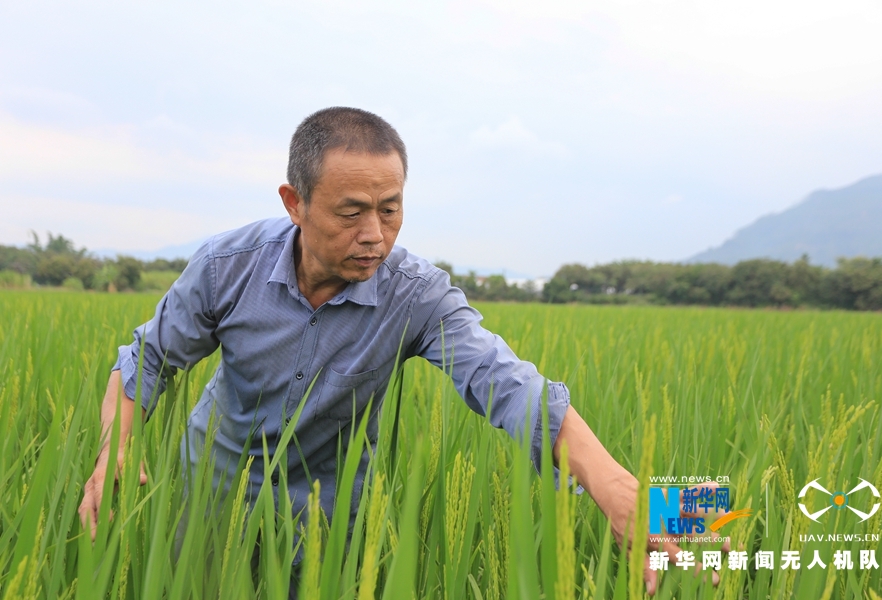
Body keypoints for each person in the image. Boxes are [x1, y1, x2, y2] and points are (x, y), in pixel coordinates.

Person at [79, 106, 714, 595]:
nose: (375, 235)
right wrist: (114, 450)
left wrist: (613, 484)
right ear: (294, 203)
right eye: (351, 212)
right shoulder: (227, 268)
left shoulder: (415, 294)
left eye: (390, 209)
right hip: (212, 498)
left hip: (328, 521)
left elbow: (508, 385)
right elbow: (149, 359)